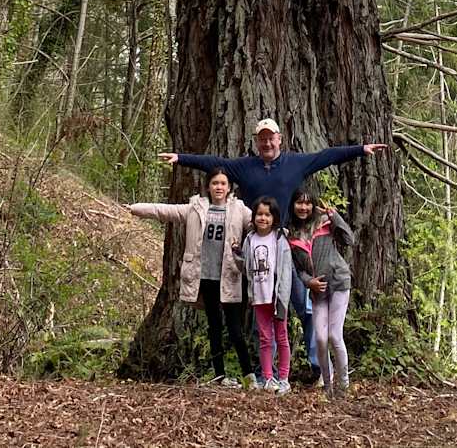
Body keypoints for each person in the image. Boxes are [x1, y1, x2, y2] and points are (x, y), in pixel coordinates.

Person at [158, 117, 387, 383]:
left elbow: (327, 157)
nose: (267, 142)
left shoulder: (295, 163)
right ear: (257, 142)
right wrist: (181, 157)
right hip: (255, 248)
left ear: (279, 139)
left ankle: (318, 367)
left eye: (271, 137)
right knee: (261, 306)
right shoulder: (245, 167)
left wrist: (360, 150)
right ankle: (268, 373)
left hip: (288, 246)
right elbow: (214, 163)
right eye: (262, 138)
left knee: (304, 305)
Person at [127, 168, 255, 387]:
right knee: (214, 327)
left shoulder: (239, 210)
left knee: (235, 329)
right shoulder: (195, 209)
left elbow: (260, 223)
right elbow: (165, 211)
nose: (219, 187)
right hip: (205, 277)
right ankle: (220, 375)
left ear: (229, 187)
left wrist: (279, 231)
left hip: (229, 276)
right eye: (215, 183)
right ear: (208, 186)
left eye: (223, 183)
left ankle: (248, 376)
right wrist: (135, 209)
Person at [287, 189, 354, 398]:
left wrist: (335, 216)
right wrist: (309, 282)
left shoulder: (325, 222)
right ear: (293, 206)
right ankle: (327, 385)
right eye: (299, 203)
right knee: (321, 339)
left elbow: (348, 239)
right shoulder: (291, 234)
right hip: (318, 291)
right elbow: (299, 269)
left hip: (339, 282)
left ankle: (343, 385)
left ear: (313, 205)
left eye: (307, 204)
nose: (303, 208)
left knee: (335, 335)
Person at [230, 196, 293, 393]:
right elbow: (246, 267)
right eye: (259, 214)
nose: (263, 218)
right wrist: (237, 254)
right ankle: (268, 378)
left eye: (267, 215)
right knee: (265, 339)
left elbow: (285, 271)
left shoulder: (279, 239)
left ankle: (283, 378)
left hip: (277, 297)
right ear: (254, 216)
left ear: (274, 217)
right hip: (258, 296)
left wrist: (283, 296)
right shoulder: (250, 239)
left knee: (281, 337)